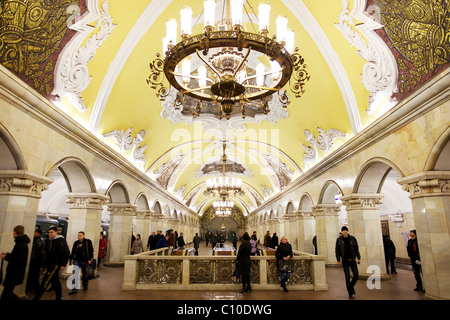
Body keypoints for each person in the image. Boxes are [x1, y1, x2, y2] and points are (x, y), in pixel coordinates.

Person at [33, 226, 70, 300]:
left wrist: (63, 264)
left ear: (56, 232)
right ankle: (59, 297)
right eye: (49, 232)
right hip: (50, 264)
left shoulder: (60, 240)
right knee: (55, 281)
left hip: (55, 265)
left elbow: (66, 252)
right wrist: (43, 265)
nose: (50, 234)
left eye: (52, 232)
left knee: (45, 282)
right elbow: (48, 254)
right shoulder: (51, 240)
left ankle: (36, 298)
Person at [1, 225, 30, 300]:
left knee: (6, 293)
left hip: (14, 273)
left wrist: (6, 257)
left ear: (15, 232)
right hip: (16, 273)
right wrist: (8, 255)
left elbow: (18, 259)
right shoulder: (21, 243)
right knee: (8, 292)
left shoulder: (20, 244)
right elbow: (17, 256)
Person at [335, 226, 361, 298]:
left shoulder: (353, 239)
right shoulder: (339, 240)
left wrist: (358, 257)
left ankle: (350, 287)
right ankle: (350, 292)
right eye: (343, 231)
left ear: (347, 231)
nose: (345, 232)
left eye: (346, 230)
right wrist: (338, 259)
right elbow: (337, 250)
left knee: (356, 275)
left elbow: (356, 248)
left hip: (352, 259)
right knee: (347, 276)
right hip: (345, 260)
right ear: (342, 232)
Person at [26, 228, 44, 295]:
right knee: (34, 275)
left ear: (38, 233)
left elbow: (37, 251)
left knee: (34, 275)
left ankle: (35, 288)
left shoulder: (38, 241)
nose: (34, 233)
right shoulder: (38, 240)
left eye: (35, 232)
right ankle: (34, 288)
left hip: (36, 260)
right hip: (36, 260)